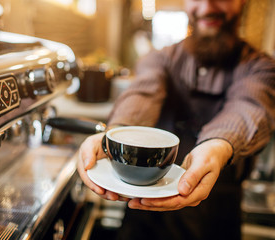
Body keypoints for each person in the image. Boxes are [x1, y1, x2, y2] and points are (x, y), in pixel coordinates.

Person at [77, 0, 275, 239]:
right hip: (143, 219)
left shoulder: (261, 68)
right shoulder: (160, 59)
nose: (206, 7)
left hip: (216, 221)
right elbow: (143, 93)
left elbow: (249, 107)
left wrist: (217, 146)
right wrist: (117, 134)